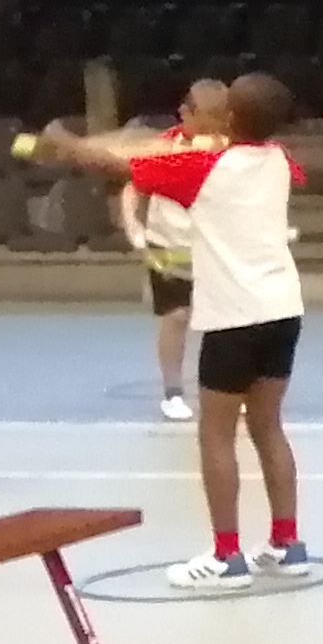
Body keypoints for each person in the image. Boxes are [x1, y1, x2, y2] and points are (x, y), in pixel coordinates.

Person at [28, 74, 316, 586]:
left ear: (230, 118)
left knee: (216, 435)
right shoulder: (279, 159)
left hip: (233, 317)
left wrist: (62, 139)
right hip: (283, 311)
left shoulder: (204, 168)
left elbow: (113, 164)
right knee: (268, 427)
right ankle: (287, 545)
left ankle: (227, 557)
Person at [121, 78, 231, 423]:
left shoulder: (236, 149)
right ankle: (173, 393)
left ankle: (232, 389)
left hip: (219, 248)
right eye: (200, 111)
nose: (184, 112)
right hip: (168, 244)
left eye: (219, 113)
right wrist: (134, 226)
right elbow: (133, 189)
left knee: (229, 322)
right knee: (176, 317)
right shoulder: (165, 147)